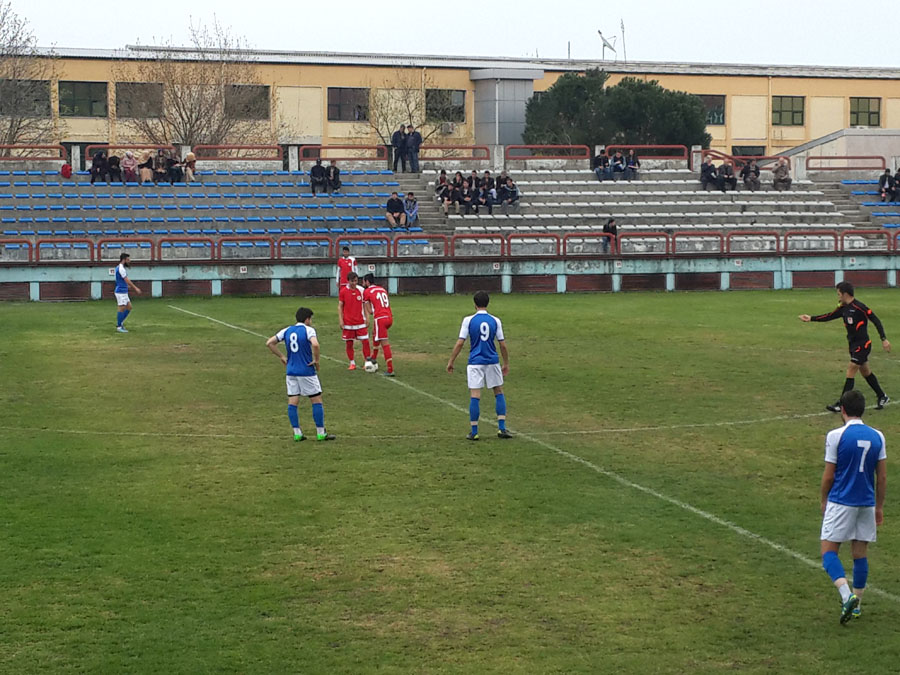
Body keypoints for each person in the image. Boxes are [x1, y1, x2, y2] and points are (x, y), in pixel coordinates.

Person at [818, 389, 885, 623]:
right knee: (859, 554)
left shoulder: (836, 436)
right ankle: (858, 606)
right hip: (866, 502)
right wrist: (879, 507)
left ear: (843, 410)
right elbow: (881, 477)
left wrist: (823, 499)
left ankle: (847, 596)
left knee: (828, 552)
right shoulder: (878, 436)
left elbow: (829, 475)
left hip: (841, 501)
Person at [799, 281, 891, 412]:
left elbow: (876, 320)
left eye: (839, 294)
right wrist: (811, 318)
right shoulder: (843, 308)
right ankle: (882, 396)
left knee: (851, 369)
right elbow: (829, 316)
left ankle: (841, 404)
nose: (838, 297)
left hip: (863, 345)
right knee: (865, 372)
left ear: (845, 294)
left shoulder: (860, 307)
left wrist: (884, 339)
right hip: (853, 345)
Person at [446, 291, 512, 440]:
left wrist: (451, 361)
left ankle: (474, 431)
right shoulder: (495, 320)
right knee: (498, 391)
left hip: (475, 362)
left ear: (474, 304)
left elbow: (460, 342)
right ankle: (502, 428)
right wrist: (506, 363)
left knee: (475, 394)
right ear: (488, 303)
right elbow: (502, 345)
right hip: (492, 361)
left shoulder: (468, 320)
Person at [265, 306, 335, 442]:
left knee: (293, 401)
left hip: (291, 371)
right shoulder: (308, 330)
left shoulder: (287, 330)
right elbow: (315, 344)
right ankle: (321, 433)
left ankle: (297, 433)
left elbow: (270, 343)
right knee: (316, 399)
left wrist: (282, 357)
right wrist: (316, 360)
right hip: (306, 371)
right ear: (307, 319)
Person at [338, 272, 372, 370]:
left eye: (356, 281)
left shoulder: (361, 290)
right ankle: (352, 363)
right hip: (348, 322)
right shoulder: (343, 291)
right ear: (348, 281)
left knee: (365, 342)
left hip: (360, 321)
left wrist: (367, 317)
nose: (354, 283)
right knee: (349, 343)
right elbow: (340, 306)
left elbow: (365, 305)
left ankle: (367, 362)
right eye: (352, 281)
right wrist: (341, 320)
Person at [362, 273, 394, 376]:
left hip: (380, 318)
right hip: (389, 317)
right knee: (375, 333)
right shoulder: (382, 289)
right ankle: (373, 357)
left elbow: (370, 311)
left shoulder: (367, 291)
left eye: (363, 281)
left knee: (384, 342)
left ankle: (390, 369)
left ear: (367, 282)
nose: (363, 284)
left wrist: (368, 308)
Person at [114, 252, 142, 333]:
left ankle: (120, 322)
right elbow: (126, 279)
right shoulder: (121, 269)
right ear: (124, 260)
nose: (129, 261)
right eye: (128, 259)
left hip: (123, 291)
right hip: (121, 292)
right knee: (122, 308)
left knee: (129, 307)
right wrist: (135, 288)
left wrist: (126, 285)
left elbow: (121, 279)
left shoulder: (120, 267)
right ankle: (119, 326)